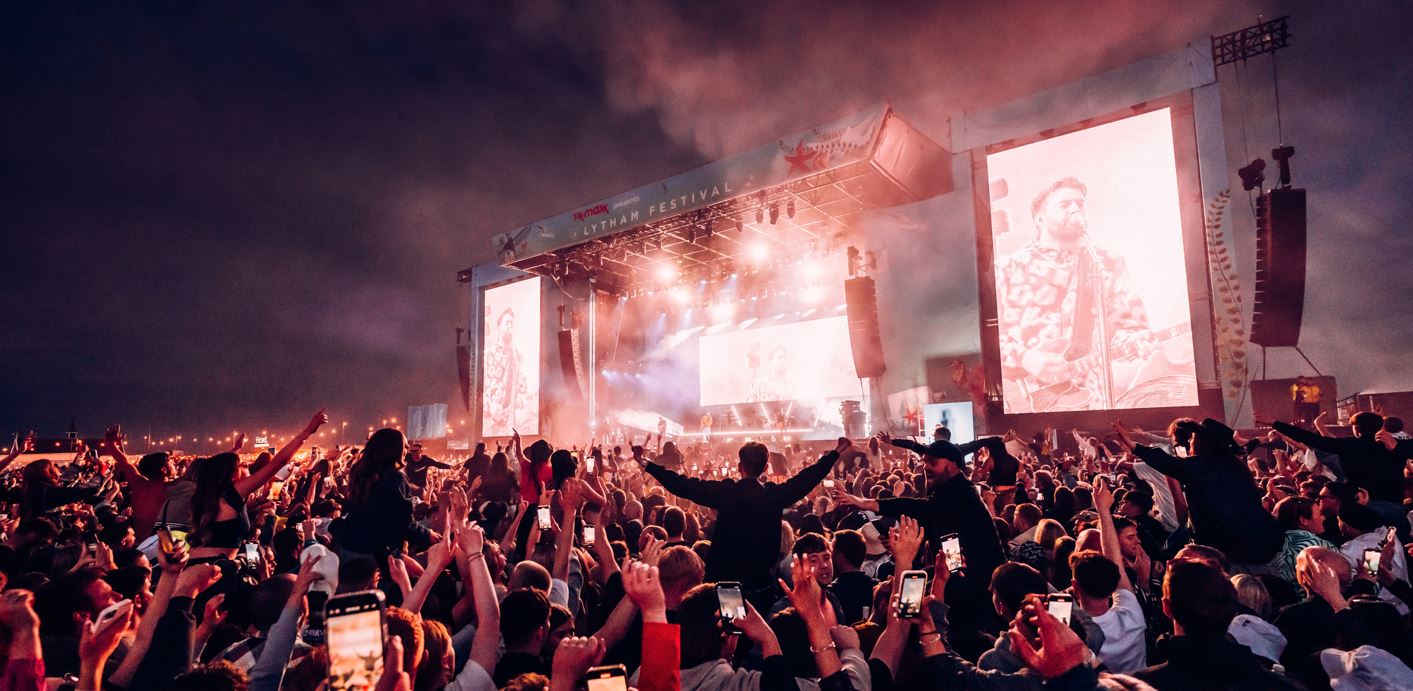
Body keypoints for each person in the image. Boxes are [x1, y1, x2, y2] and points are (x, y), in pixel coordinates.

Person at [997, 176, 1176, 412]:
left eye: (1079, 204)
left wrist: (1134, 341)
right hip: (1023, 402)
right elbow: (988, 339)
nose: (1075, 209)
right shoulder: (1008, 268)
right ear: (1040, 219)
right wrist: (1026, 357)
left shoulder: (1107, 263)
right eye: (1064, 204)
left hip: (1091, 399)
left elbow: (1129, 326)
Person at [639, 438, 849, 610]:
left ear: (739, 467)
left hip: (728, 588)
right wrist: (836, 452)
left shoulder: (725, 493)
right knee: (758, 645)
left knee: (730, 638)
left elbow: (683, 485)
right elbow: (808, 478)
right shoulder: (773, 496)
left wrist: (647, 464)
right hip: (762, 586)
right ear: (766, 467)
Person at [484, 307, 533, 436]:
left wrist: (521, 402)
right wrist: (490, 406)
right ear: (499, 328)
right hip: (490, 421)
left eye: (512, 323)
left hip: (509, 422)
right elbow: (480, 387)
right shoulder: (488, 354)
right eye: (507, 323)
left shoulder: (517, 355)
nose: (510, 326)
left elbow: (523, 387)